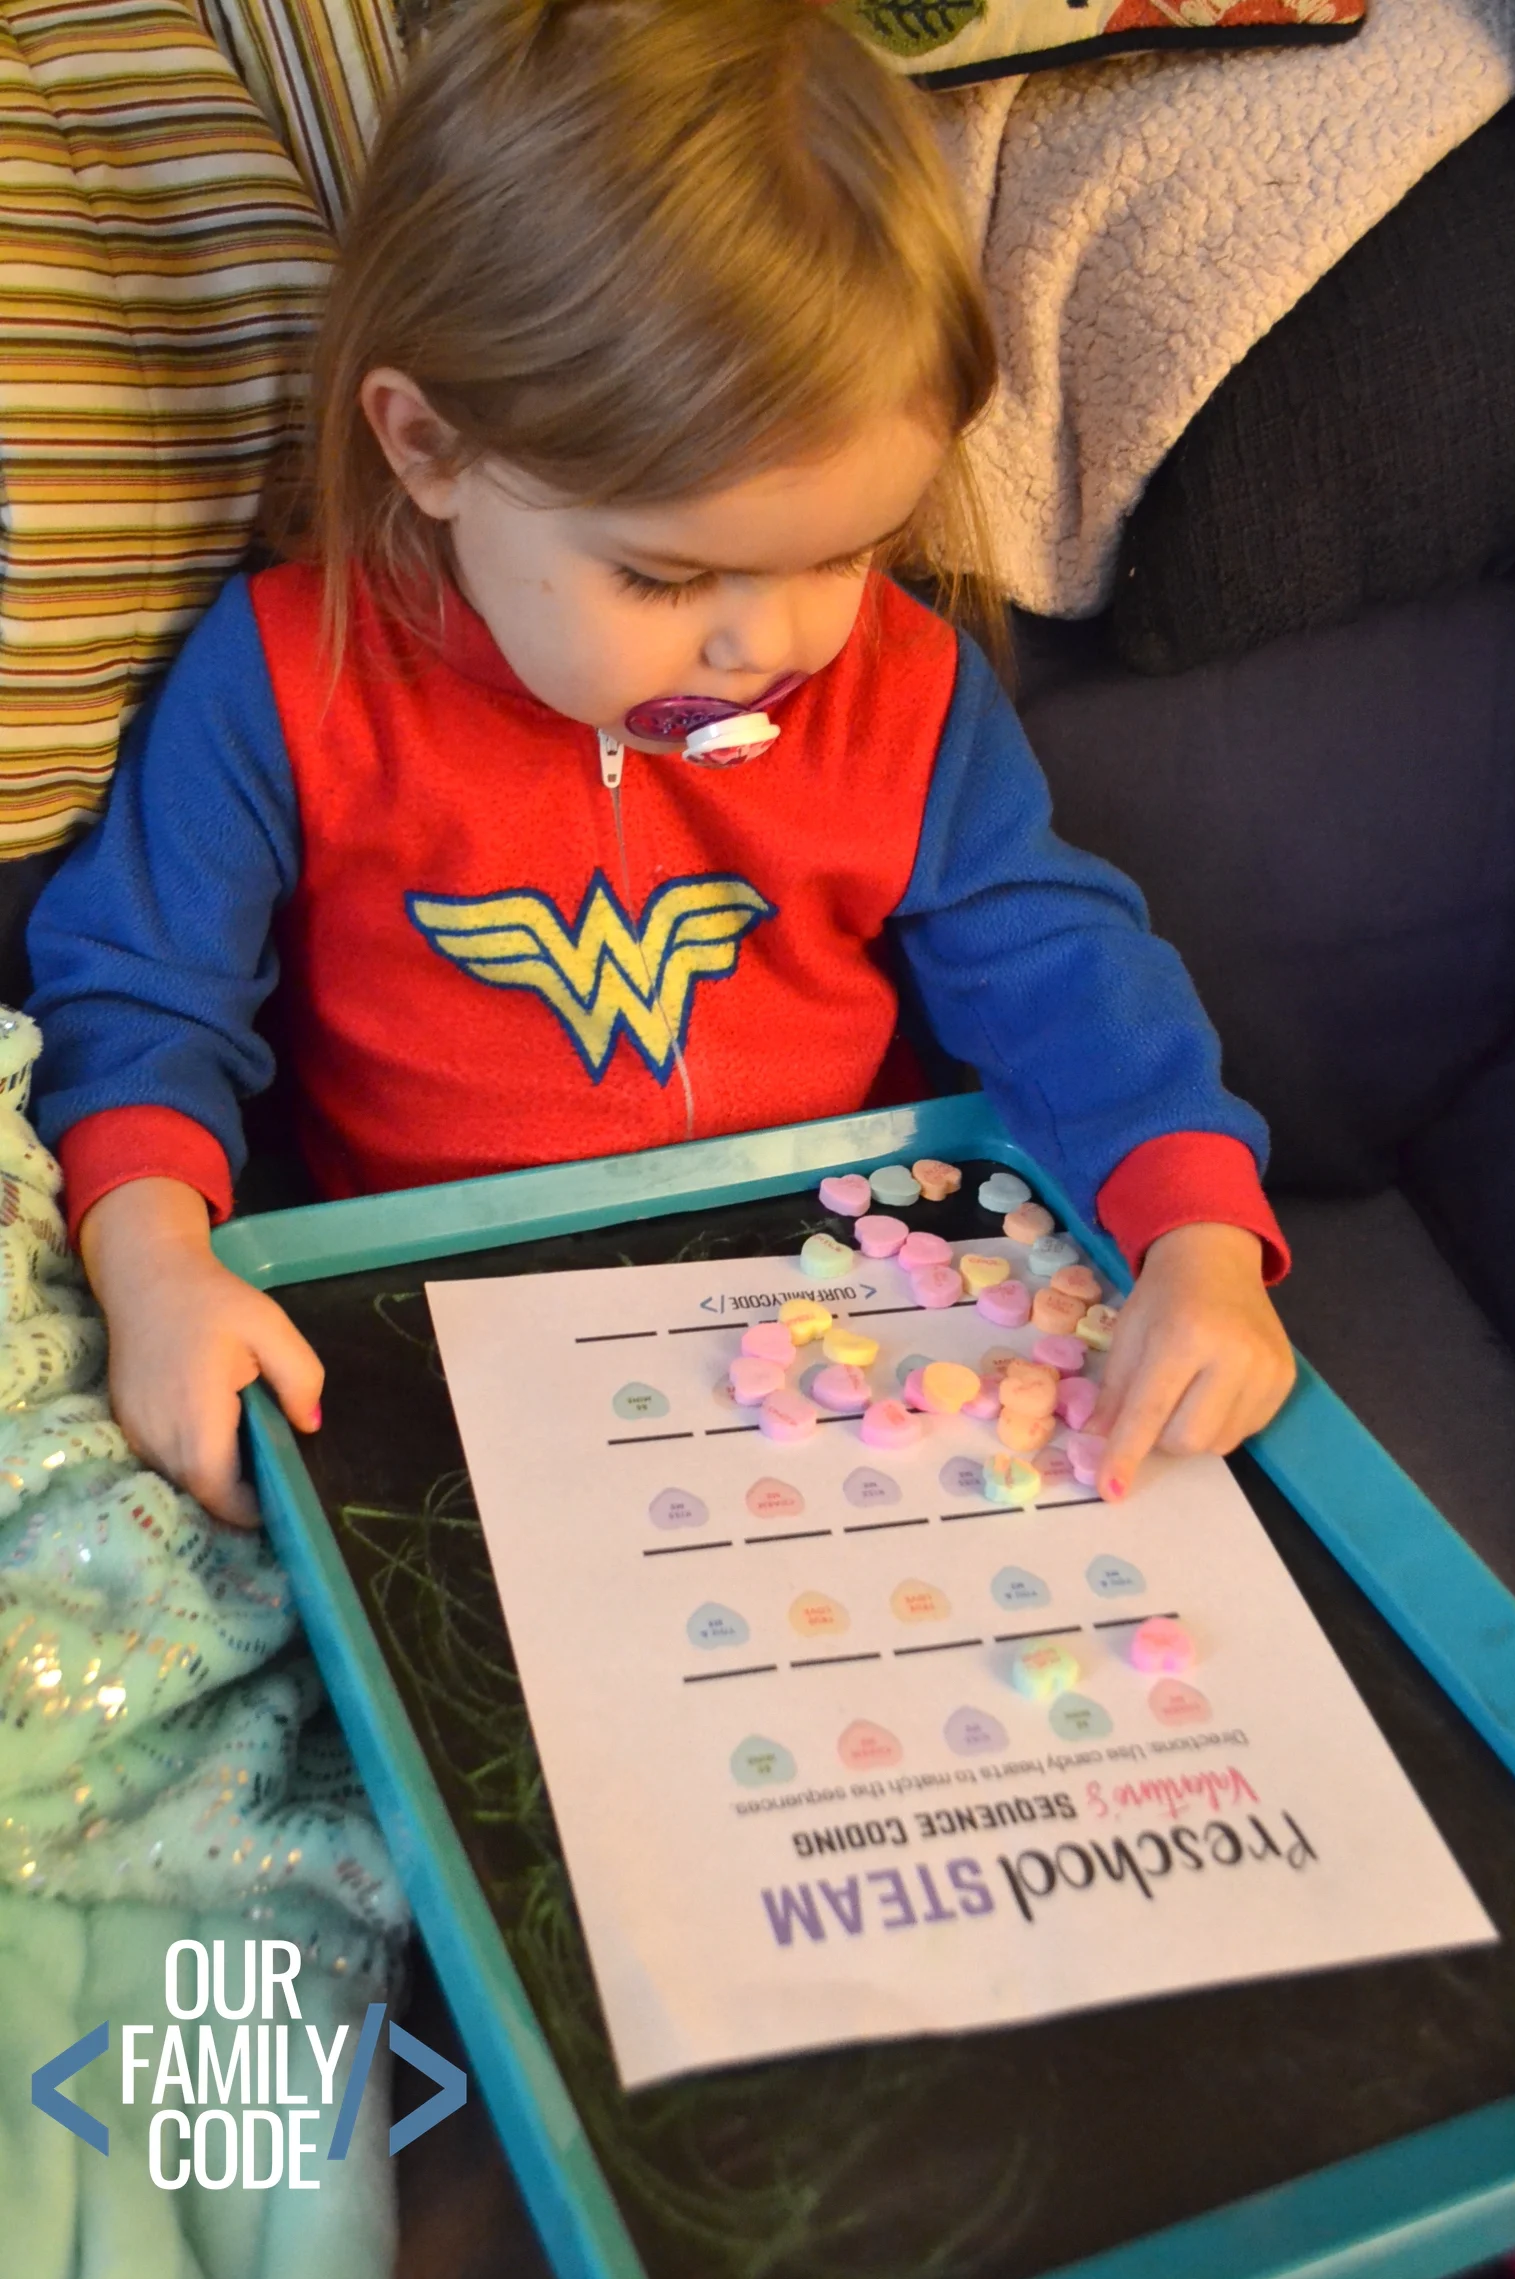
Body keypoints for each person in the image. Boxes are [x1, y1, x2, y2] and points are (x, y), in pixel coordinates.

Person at [24, 0, 1293, 1528]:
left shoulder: (898, 679)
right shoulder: (292, 681)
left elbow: (1059, 964)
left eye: (843, 553)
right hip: (452, 1328)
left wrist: (1200, 1238)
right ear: (427, 449)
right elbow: (144, 994)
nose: (769, 648)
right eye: (666, 580)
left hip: (852, 1313)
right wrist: (154, 1258)